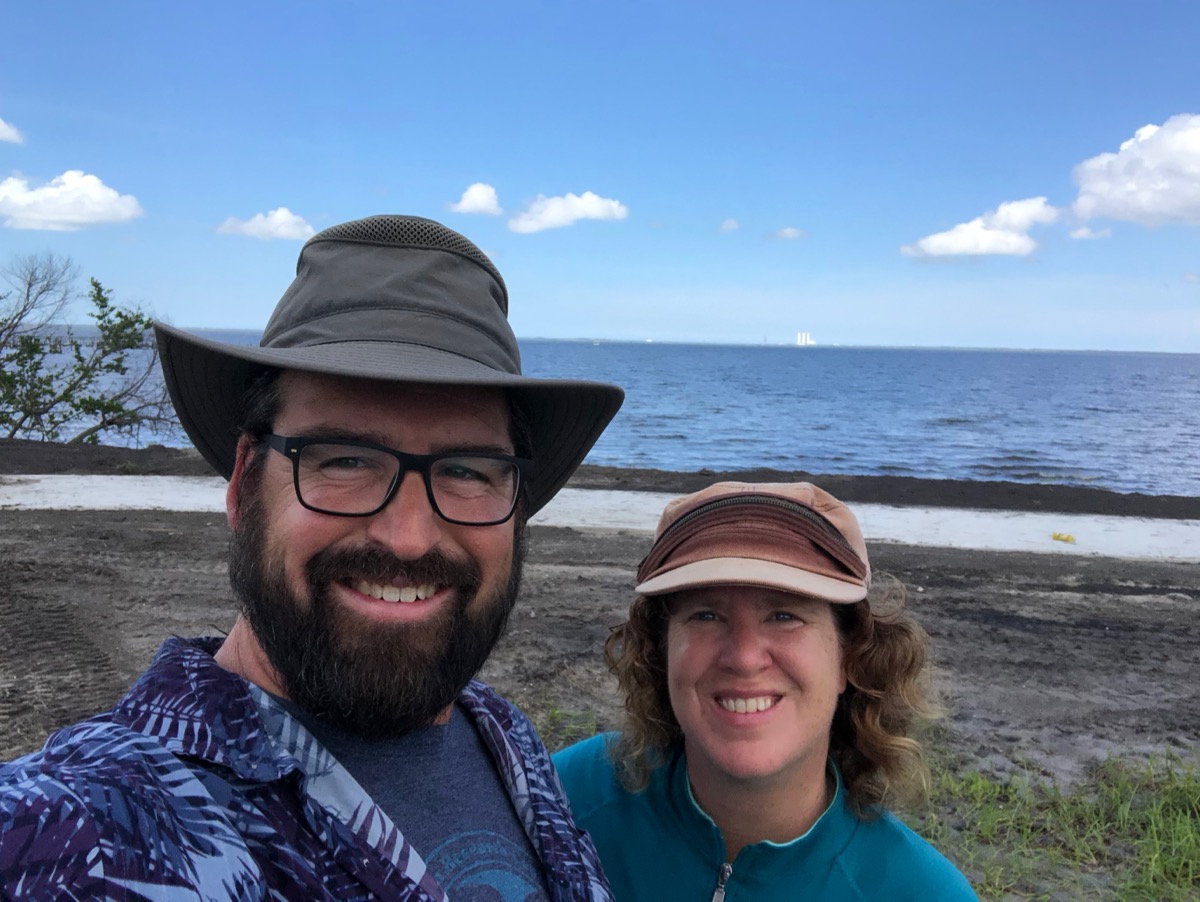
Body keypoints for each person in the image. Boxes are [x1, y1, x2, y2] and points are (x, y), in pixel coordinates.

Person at [0, 215, 624, 900]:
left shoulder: (502, 736)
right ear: (244, 484)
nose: (409, 538)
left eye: (467, 470)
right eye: (346, 460)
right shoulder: (76, 833)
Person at [553, 481, 976, 900]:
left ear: (849, 657)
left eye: (784, 615)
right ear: (661, 650)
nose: (743, 657)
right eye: (706, 615)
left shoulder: (923, 893)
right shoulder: (558, 802)